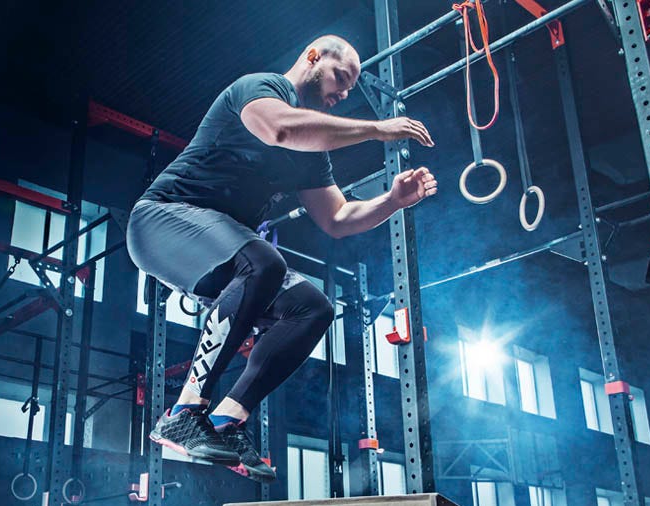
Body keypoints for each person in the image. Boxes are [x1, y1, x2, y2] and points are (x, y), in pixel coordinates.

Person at [126, 35, 437, 483]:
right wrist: (378, 128)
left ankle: (225, 421)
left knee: (313, 307)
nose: (344, 94)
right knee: (264, 262)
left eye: (351, 87)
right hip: (161, 221)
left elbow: (338, 217)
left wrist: (392, 201)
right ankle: (183, 412)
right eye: (340, 79)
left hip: (215, 251)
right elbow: (281, 129)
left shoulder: (312, 156)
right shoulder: (259, 89)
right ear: (313, 58)